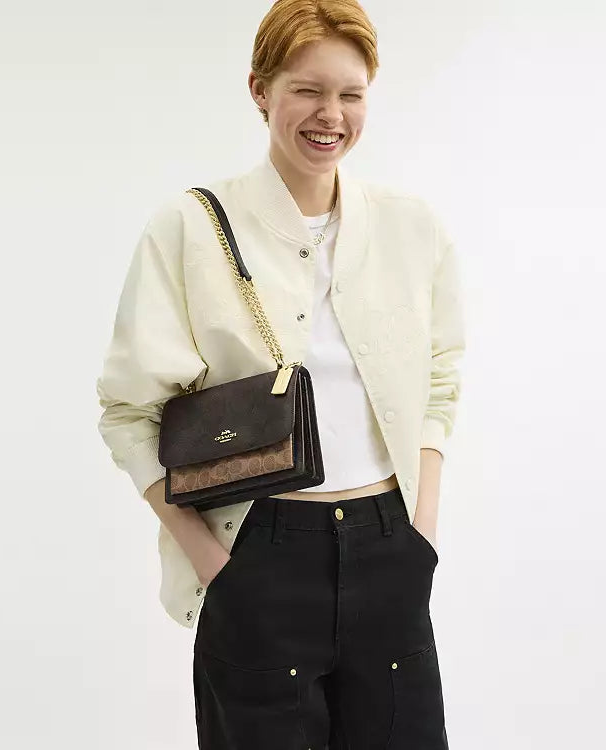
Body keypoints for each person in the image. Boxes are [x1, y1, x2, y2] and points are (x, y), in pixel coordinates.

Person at [95, 1, 466, 747]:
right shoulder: (190, 227)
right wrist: (217, 565)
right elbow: (129, 414)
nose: (331, 115)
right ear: (259, 90)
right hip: (258, 549)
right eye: (308, 90)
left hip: (389, 544)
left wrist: (420, 533)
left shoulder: (411, 226)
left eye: (351, 94)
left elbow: (440, 379)